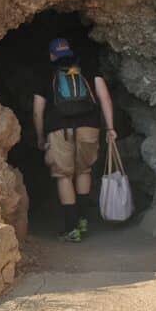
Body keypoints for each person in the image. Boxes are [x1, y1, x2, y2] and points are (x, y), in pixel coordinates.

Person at [33, 37, 117, 242]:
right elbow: (104, 97)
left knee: (63, 175)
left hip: (59, 129)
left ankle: (71, 228)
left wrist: (40, 136)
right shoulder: (87, 68)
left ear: (52, 54)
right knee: (84, 170)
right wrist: (110, 127)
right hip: (89, 126)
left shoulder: (46, 72)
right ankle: (83, 221)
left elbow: (38, 110)